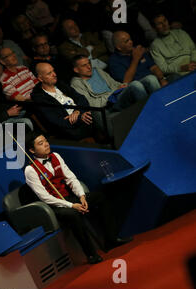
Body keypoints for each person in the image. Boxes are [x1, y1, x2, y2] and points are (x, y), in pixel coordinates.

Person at [24, 132, 132, 264]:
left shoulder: (56, 156)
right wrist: (71, 205)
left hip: (69, 197)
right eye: (40, 143)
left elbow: (71, 178)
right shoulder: (30, 170)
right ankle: (91, 254)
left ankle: (111, 239)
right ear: (31, 150)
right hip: (55, 206)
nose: (46, 144)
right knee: (73, 214)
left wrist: (81, 196)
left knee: (99, 196)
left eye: (46, 141)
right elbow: (44, 197)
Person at [70, 55, 153, 135]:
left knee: (150, 78)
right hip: (110, 104)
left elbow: (114, 84)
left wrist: (122, 85)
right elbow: (91, 103)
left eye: (89, 63)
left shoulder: (98, 71)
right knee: (135, 85)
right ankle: (151, 116)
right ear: (76, 70)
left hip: (119, 94)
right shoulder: (76, 83)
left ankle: (159, 108)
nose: (89, 67)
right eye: (84, 65)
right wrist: (113, 93)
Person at [30, 62, 95, 141]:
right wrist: (79, 118)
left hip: (81, 115)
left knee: (97, 114)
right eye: (49, 73)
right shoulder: (39, 97)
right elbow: (57, 121)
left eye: (53, 71)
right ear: (40, 78)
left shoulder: (60, 84)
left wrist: (78, 111)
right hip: (69, 129)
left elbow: (81, 98)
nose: (54, 74)